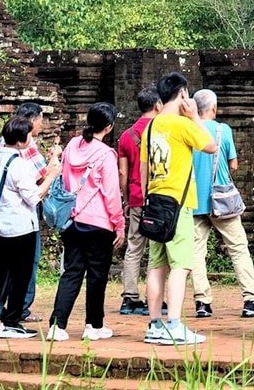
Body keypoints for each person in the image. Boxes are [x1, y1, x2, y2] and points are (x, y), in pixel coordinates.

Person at [140, 71, 217, 347]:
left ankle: (154, 324)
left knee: (156, 265)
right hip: (178, 203)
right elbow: (210, 145)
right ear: (183, 94)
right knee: (181, 265)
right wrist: (195, 115)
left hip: (155, 202)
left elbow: (143, 169)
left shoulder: (151, 126)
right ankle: (173, 323)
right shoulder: (181, 124)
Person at [49, 102, 124, 342]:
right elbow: (111, 194)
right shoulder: (106, 154)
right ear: (109, 127)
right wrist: (119, 224)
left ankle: (57, 325)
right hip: (99, 223)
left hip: (72, 218)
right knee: (96, 274)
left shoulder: (72, 145)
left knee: (71, 272)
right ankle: (93, 325)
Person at [0, 114, 59, 339]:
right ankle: (12, 320)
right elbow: (34, 197)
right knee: (20, 275)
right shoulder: (18, 164)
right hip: (21, 226)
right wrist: (51, 176)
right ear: (23, 140)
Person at [189, 89, 254, 319]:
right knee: (238, 248)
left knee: (196, 253)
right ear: (213, 109)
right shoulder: (223, 130)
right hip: (221, 200)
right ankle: (251, 298)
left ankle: (202, 302)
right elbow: (233, 164)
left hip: (194, 200)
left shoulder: (187, 130)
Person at [116, 85, 160, 317]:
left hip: (135, 197)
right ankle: (156, 297)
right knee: (156, 248)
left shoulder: (126, 135)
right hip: (158, 197)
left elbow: (122, 173)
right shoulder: (161, 132)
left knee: (134, 247)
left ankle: (129, 297)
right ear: (157, 106)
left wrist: (126, 199)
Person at [14, 103, 51, 319]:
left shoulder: (5, 142)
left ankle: (12, 307)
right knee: (29, 259)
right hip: (25, 208)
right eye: (40, 119)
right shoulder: (25, 143)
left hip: (9, 213)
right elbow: (43, 176)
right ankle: (21, 308)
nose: (41, 124)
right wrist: (55, 167)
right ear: (32, 120)